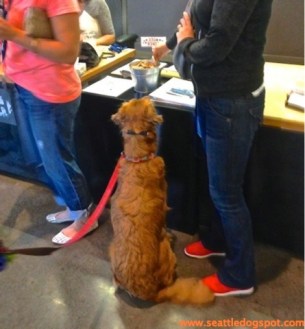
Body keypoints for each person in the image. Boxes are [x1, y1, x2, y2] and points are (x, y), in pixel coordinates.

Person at [153, 0, 273, 297]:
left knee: (227, 193)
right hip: (214, 97)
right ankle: (217, 239)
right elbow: (191, 19)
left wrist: (183, 46)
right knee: (219, 184)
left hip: (231, 100)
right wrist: (169, 46)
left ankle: (239, 276)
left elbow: (217, 45)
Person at [0, 0, 96, 244]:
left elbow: (68, 52)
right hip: (26, 87)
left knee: (57, 160)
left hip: (49, 93)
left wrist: (14, 34)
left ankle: (85, 215)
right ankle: (75, 208)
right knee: (47, 159)